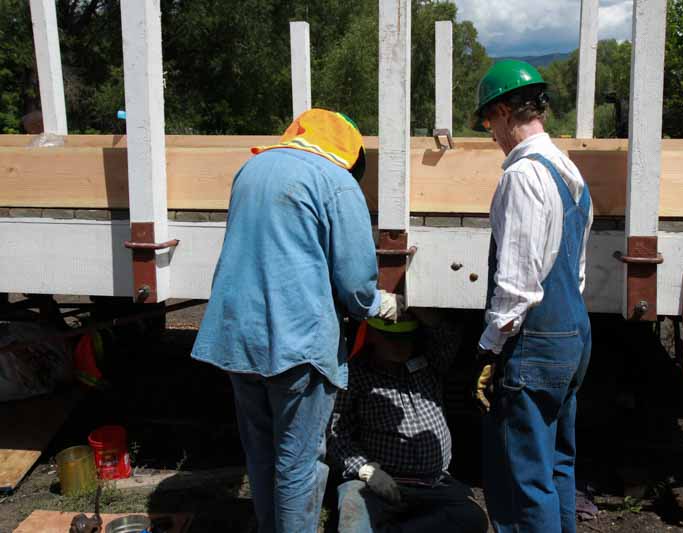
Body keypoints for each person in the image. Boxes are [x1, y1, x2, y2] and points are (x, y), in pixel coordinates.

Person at [191, 108, 402, 533]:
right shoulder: (337, 182)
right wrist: (377, 302)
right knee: (299, 464)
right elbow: (355, 280)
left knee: (262, 455)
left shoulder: (252, 168)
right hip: (295, 341)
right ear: (348, 153)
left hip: (237, 338)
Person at [471, 60, 593, 533]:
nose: (490, 134)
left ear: (505, 111)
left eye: (488, 121)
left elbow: (518, 284)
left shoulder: (522, 175)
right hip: (571, 333)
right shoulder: (567, 170)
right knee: (557, 465)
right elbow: (575, 271)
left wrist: (488, 347)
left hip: (535, 343)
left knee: (522, 479)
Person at [329, 313, 487, 533]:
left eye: (405, 337)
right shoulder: (355, 374)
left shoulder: (429, 362)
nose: (400, 345)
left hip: (434, 483)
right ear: (372, 334)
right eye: (391, 338)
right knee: (352, 511)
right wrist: (364, 469)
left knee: (472, 517)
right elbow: (337, 432)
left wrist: (426, 314)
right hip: (380, 482)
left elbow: (449, 336)